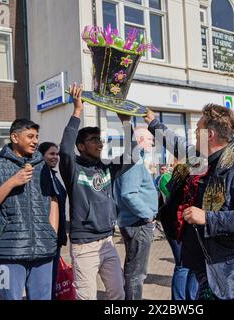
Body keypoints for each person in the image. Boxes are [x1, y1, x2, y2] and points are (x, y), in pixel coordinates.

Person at [144, 104, 234, 300]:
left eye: (197, 128)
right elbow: (176, 143)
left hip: (222, 270)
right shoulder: (199, 158)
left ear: (209, 134)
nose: (193, 132)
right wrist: (153, 122)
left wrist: (208, 218)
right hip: (199, 261)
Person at [59, 83, 137, 300]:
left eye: (100, 139)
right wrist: (77, 112)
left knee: (117, 293)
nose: (100, 143)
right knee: (86, 297)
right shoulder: (73, 168)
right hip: (84, 245)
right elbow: (65, 149)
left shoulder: (106, 168)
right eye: (94, 140)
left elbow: (132, 154)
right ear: (81, 146)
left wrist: (126, 122)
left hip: (107, 242)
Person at [0, 119, 59, 300]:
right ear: (14, 137)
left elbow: (54, 199)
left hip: (43, 251)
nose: (35, 141)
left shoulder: (43, 167)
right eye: (30, 136)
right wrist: (12, 182)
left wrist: (51, 233)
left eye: (37, 137)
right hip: (7, 254)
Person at [114, 127, 158, 300]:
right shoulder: (134, 162)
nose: (153, 142)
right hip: (138, 224)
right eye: (149, 139)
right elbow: (128, 194)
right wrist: (148, 215)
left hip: (134, 222)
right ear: (139, 140)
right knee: (137, 274)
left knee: (133, 270)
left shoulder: (132, 160)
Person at [158, 163, 198, 300]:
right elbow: (173, 215)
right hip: (177, 231)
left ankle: (191, 297)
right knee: (182, 265)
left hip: (183, 231)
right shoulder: (180, 190)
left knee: (193, 265)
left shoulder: (181, 188)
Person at [38, 142, 68, 300]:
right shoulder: (40, 176)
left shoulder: (53, 176)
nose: (55, 157)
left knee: (51, 280)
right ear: (41, 155)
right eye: (51, 154)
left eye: (57, 154)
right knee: (45, 283)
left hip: (55, 239)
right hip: (45, 240)